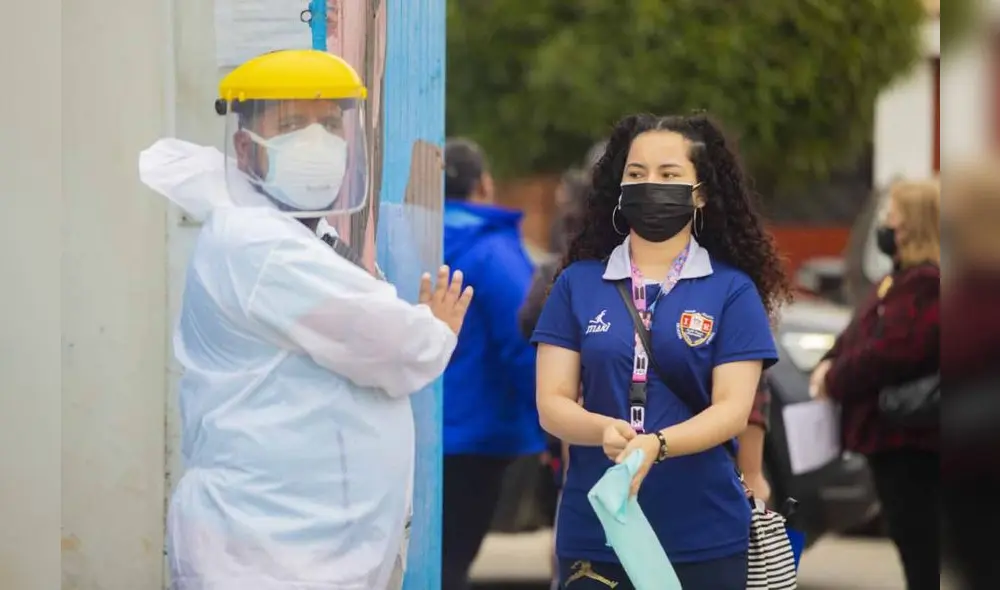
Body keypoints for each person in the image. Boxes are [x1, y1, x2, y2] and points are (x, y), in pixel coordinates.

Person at [138, 49, 472, 590]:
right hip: (265, 551)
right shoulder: (263, 246)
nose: (317, 141)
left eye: (328, 123)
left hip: (293, 544)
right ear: (246, 149)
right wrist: (435, 328)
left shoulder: (287, 233)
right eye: (292, 124)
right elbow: (399, 351)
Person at [531, 113, 791, 589]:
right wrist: (601, 428)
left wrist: (658, 444)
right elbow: (552, 403)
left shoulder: (732, 291)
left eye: (669, 175)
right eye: (636, 173)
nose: (650, 185)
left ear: (701, 193)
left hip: (703, 536)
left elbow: (733, 410)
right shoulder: (576, 285)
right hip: (597, 534)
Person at [810, 179, 940, 590]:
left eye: (893, 217)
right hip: (890, 441)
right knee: (911, 544)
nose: (885, 224)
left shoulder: (926, 284)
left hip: (912, 441)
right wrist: (828, 362)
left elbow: (892, 350)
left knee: (921, 547)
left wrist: (834, 377)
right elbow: (858, 335)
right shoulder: (897, 280)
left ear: (914, 225)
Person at [440, 138, 545, 590]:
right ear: (484, 185)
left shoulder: (404, 236)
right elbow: (526, 342)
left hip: (419, 432)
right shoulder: (492, 251)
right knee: (451, 564)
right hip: (478, 438)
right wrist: (554, 424)